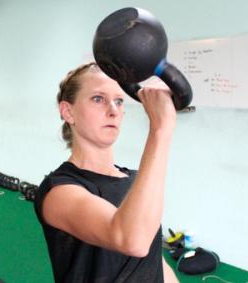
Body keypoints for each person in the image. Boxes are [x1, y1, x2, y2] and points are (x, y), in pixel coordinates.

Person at [34, 62, 179, 283]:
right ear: (68, 112)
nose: (113, 110)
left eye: (119, 101)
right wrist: (160, 128)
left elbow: (152, 256)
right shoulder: (59, 192)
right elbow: (133, 239)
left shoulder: (135, 179)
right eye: (98, 99)